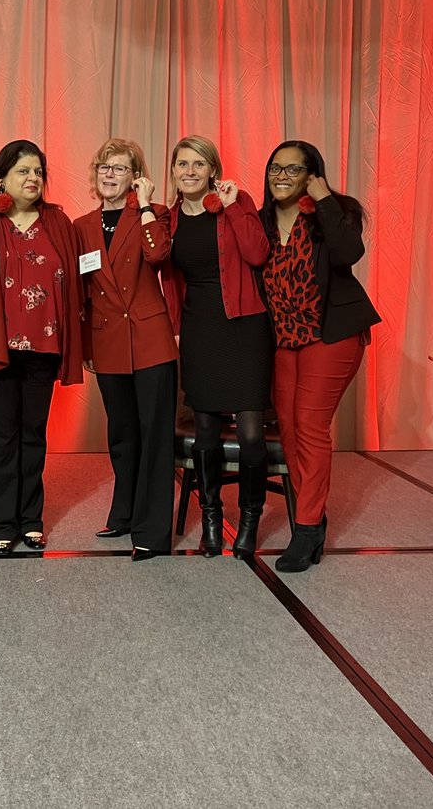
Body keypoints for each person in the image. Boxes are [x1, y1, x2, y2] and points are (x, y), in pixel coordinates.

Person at [0, 139, 82, 555]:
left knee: (32, 435)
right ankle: (2, 521)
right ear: (1, 176)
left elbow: (75, 283)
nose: (33, 179)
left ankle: (31, 518)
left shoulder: (57, 222)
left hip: (43, 346)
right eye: (23, 171)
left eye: (38, 171)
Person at [257, 140, 380, 572]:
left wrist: (323, 198)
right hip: (285, 338)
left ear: (313, 174)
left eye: (293, 170)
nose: (282, 177)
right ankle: (314, 517)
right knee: (289, 429)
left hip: (331, 335)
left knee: (310, 425)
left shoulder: (336, 210)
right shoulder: (262, 221)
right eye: (276, 169)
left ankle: (305, 528)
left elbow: (350, 255)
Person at [161, 135, 272, 559]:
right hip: (199, 328)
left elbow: (257, 253)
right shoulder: (169, 218)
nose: (189, 171)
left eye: (198, 164)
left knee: (249, 434)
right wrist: (175, 329)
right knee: (205, 434)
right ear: (172, 170)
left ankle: (249, 518)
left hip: (244, 327)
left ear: (212, 170)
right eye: (182, 163)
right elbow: (170, 281)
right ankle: (210, 516)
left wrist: (229, 206)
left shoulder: (236, 202)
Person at [74, 138, 177, 561]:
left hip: (150, 339)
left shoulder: (154, 215)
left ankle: (152, 530)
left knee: (154, 436)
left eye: (119, 168)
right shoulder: (81, 225)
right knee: (121, 434)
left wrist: (148, 205)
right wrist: (84, 346)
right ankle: (124, 513)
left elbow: (158, 255)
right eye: (104, 167)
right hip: (107, 339)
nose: (109, 174)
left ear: (136, 176)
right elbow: (81, 292)